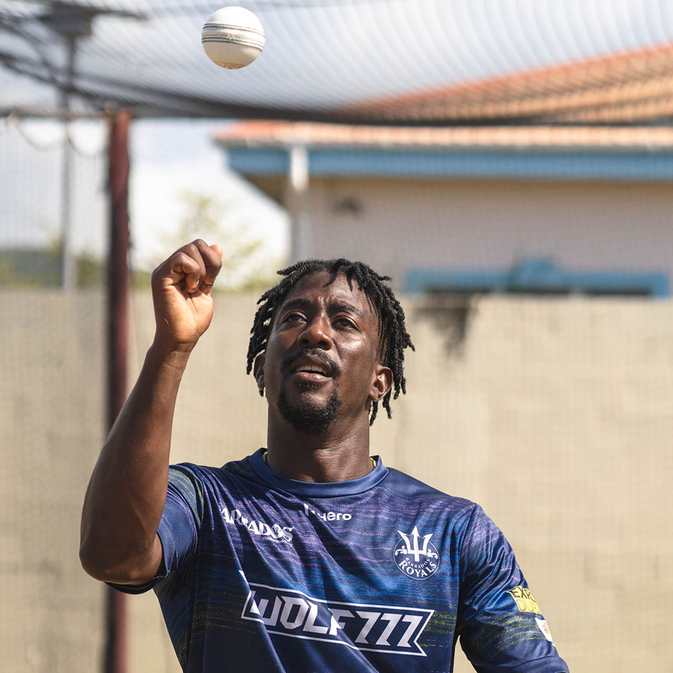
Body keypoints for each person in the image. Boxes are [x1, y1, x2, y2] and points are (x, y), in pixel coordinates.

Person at [80, 240, 569, 672]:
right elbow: (114, 557)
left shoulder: (455, 532)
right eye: (294, 318)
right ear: (261, 369)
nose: (315, 332)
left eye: (344, 322)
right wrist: (171, 347)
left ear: (380, 381)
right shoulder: (205, 505)